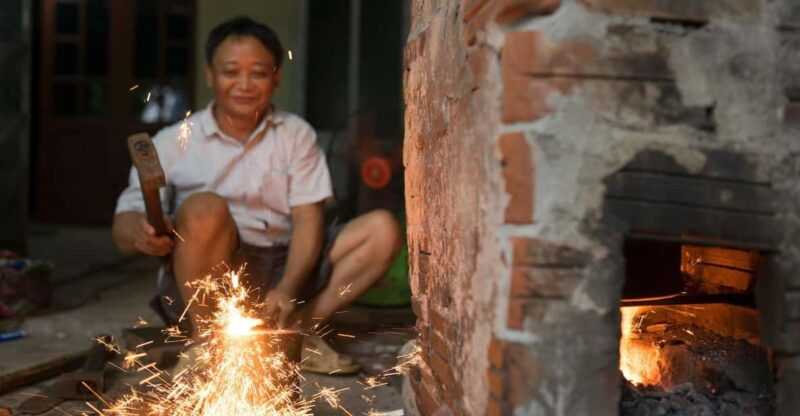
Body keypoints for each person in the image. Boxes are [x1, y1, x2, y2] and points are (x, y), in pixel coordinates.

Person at [111, 16, 401, 371]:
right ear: (209, 75)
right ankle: (208, 344)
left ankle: (294, 336)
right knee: (204, 207)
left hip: (284, 264)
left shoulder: (296, 134)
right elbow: (124, 222)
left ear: (276, 77)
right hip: (207, 277)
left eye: (259, 73)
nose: (244, 85)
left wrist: (289, 286)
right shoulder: (174, 140)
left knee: (383, 229)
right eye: (231, 72)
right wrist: (140, 233)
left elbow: (308, 217)